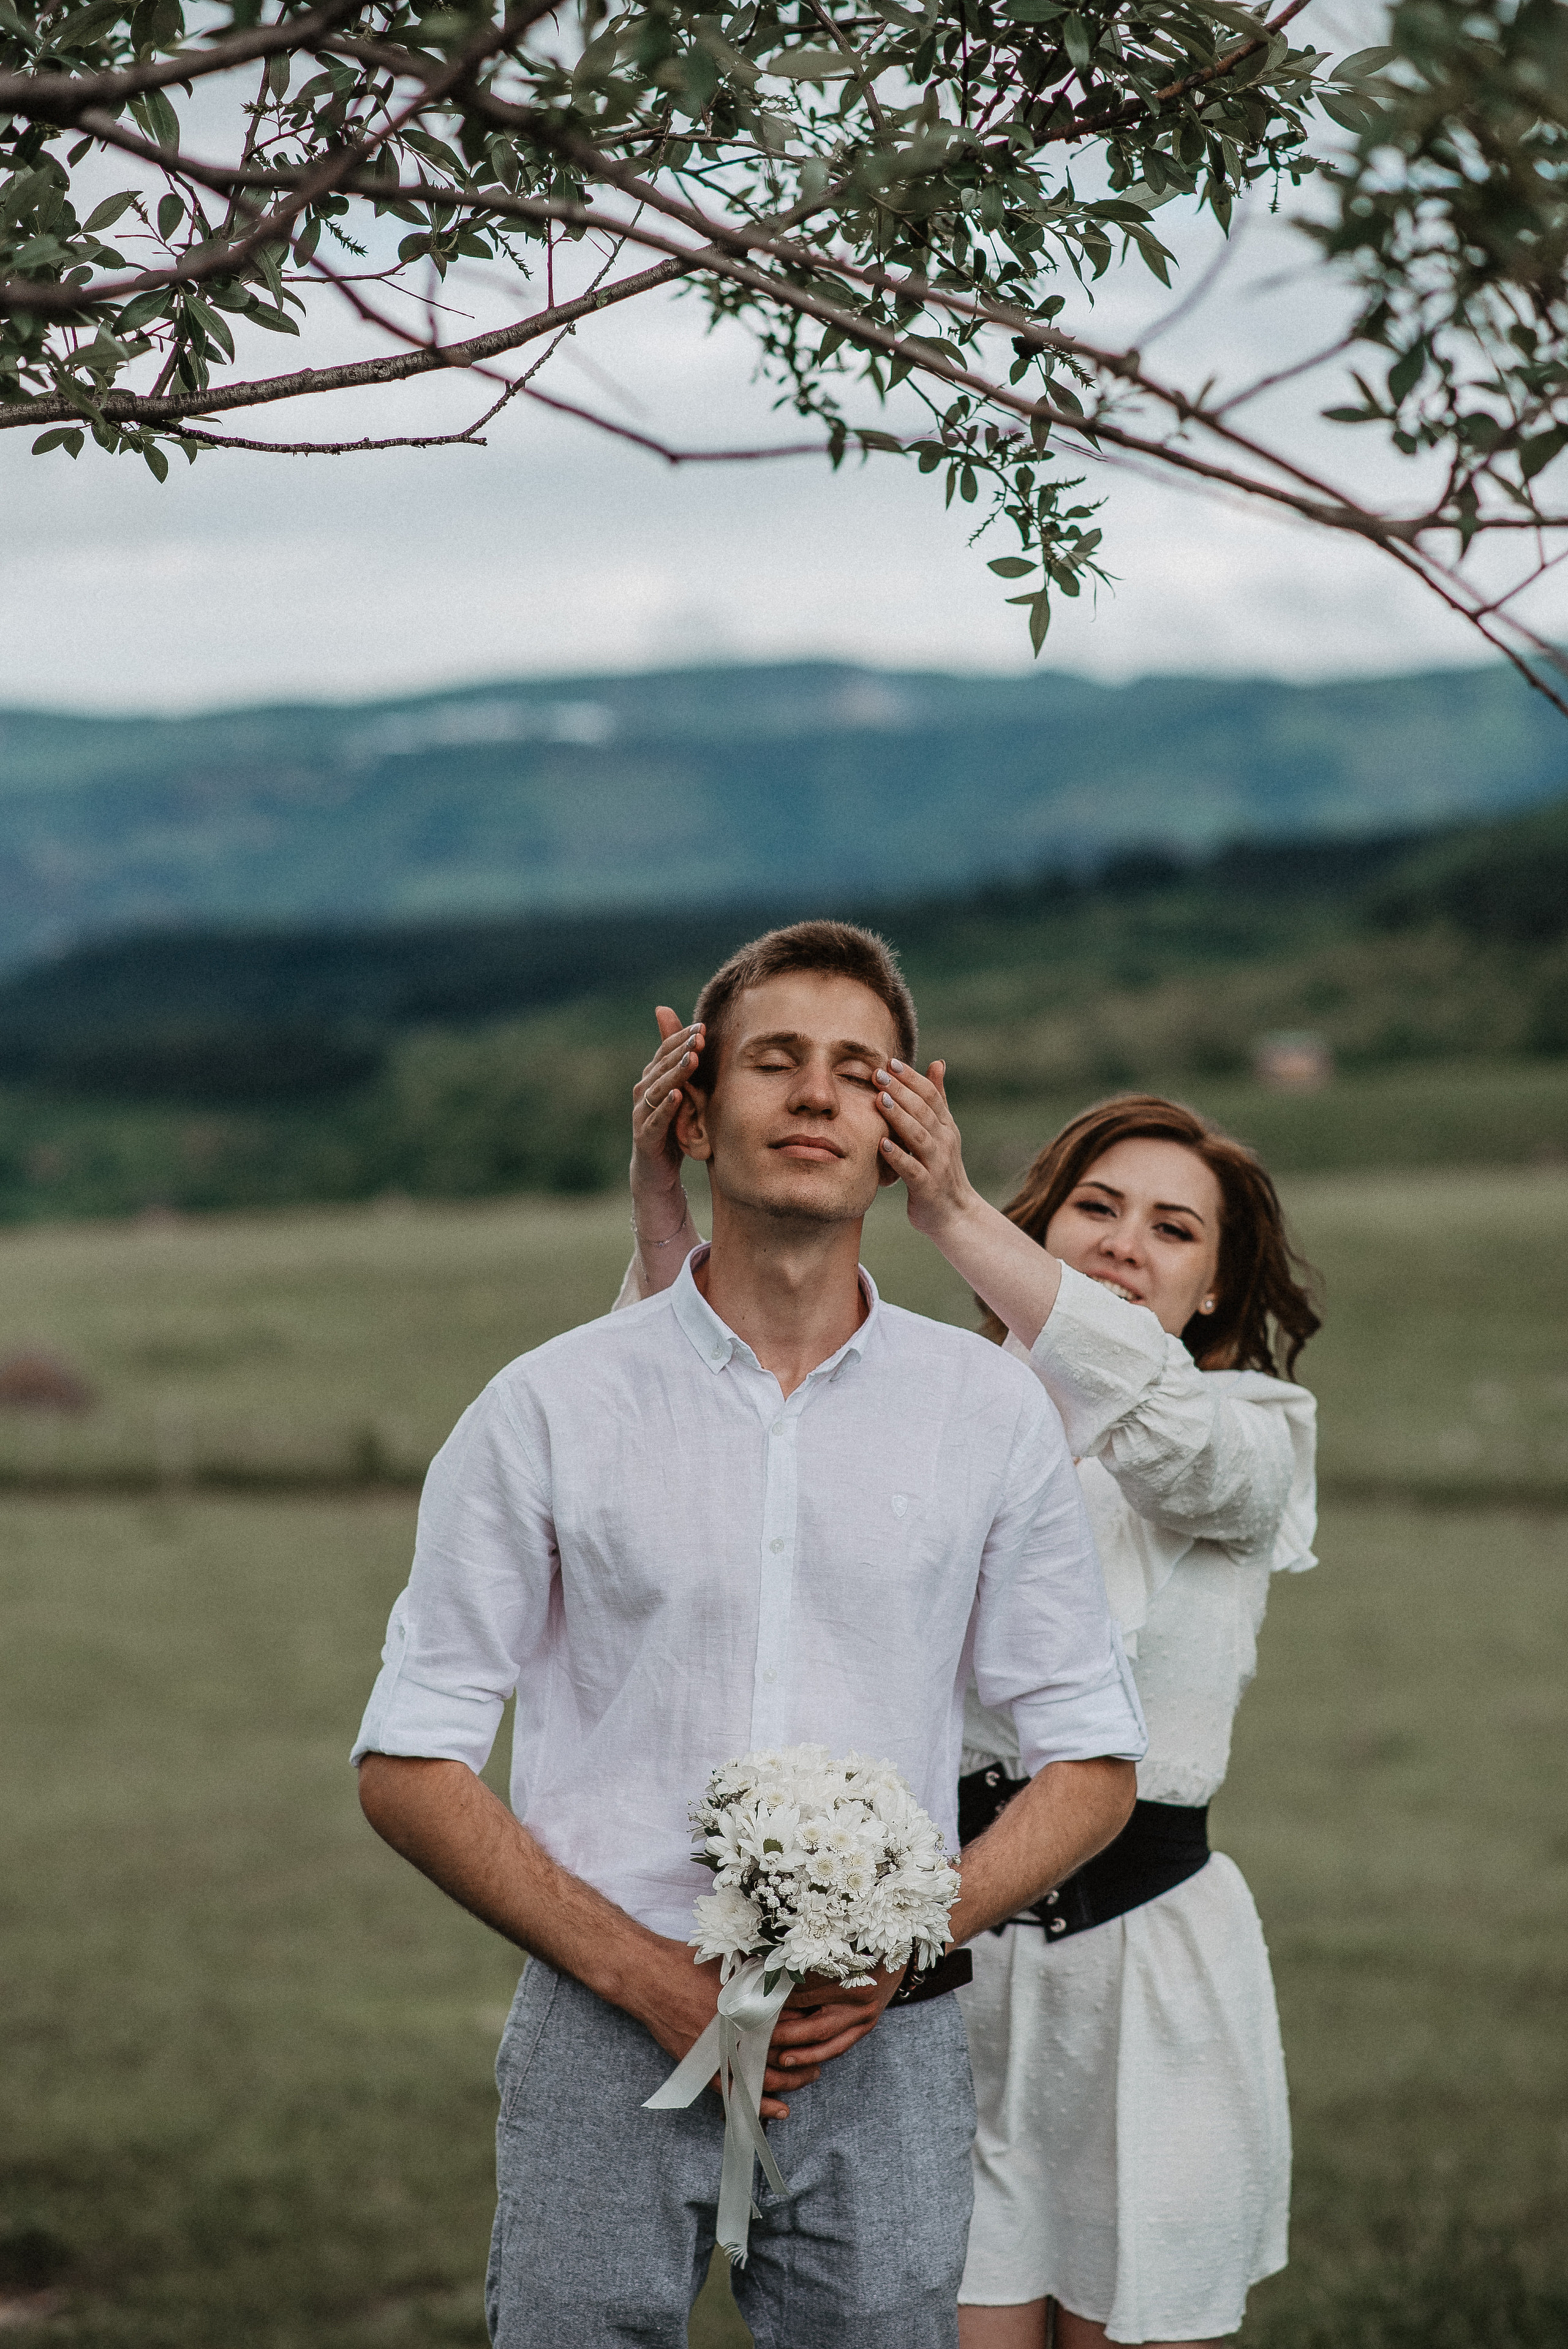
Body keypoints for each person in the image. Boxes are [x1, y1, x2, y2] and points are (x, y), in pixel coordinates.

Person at [352, 921, 1148, 2349]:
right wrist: (639, 1975)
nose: (814, 1095)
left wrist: (906, 1946)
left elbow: (1090, 1758)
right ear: (694, 1109)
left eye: (858, 1070)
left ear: (904, 1121)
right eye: (773, 1060)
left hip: (885, 2038)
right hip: (605, 2023)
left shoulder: (983, 1411)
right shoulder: (548, 1406)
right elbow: (406, 1760)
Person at [626, 1019, 1318, 2349]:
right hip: (935, 1978)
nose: (1123, 1242)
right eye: (1094, 1208)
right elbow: (697, 1442)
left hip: (1147, 1977)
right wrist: (664, 1200)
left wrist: (939, 1209)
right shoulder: (926, 1414)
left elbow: (1160, 1431)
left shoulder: (1250, 1438)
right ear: (1042, 1229)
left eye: (1173, 1231)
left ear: (1218, 1292)